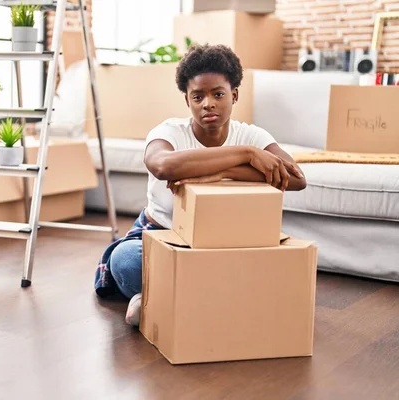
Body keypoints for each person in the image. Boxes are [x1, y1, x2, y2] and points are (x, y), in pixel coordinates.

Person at [94, 44, 307, 326]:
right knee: (125, 260)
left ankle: (166, 299)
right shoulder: (169, 131)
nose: (208, 103)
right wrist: (247, 156)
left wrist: (221, 172)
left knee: (274, 264)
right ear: (187, 101)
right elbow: (161, 165)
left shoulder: (252, 135)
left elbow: (296, 178)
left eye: (218, 94)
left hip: (224, 244)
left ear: (234, 95)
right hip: (164, 235)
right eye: (198, 96)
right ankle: (159, 295)